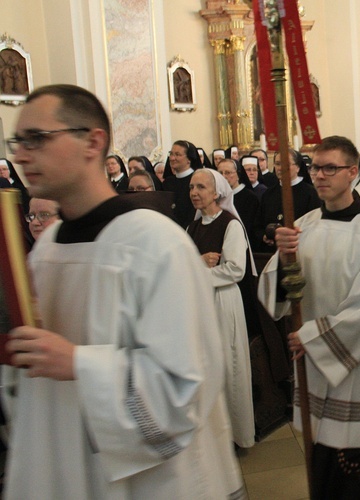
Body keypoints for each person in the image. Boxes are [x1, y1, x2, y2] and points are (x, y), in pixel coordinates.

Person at [3, 84, 243, 498]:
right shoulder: (47, 249)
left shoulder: (154, 244)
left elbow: (186, 388)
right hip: (66, 467)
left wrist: (79, 363)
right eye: (17, 142)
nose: (21, 155)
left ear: (92, 142)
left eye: (36, 139)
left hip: (148, 481)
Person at [258, 135, 360, 499]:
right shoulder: (304, 226)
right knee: (323, 464)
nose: (319, 175)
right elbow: (281, 290)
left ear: (352, 172)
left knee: (356, 474)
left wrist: (311, 337)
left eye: (330, 168)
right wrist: (286, 259)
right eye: (315, 167)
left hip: (359, 362)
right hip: (316, 366)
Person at [187, 168, 255, 448]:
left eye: (201, 187)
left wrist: (197, 272)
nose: (194, 192)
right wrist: (198, 263)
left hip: (223, 301)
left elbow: (236, 270)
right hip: (200, 303)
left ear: (217, 193)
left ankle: (237, 435)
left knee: (229, 365)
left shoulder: (230, 224)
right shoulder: (191, 226)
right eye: (191, 187)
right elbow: (184, 262)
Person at [258, 149, 321, 250]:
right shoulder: (268, 194)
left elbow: (315, 226)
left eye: (286, 164)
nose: (280, 168)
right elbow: (258, 224)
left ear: (297, 167)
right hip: (272, 252)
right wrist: (264, 236)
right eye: (278, 164)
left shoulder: (311, 193)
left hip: (300, 249)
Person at [162, 140, 202, 228]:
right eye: (171, 154)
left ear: (189, 159)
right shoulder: (167, 182)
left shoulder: (198, 180)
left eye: (177, 154)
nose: (172, 158)